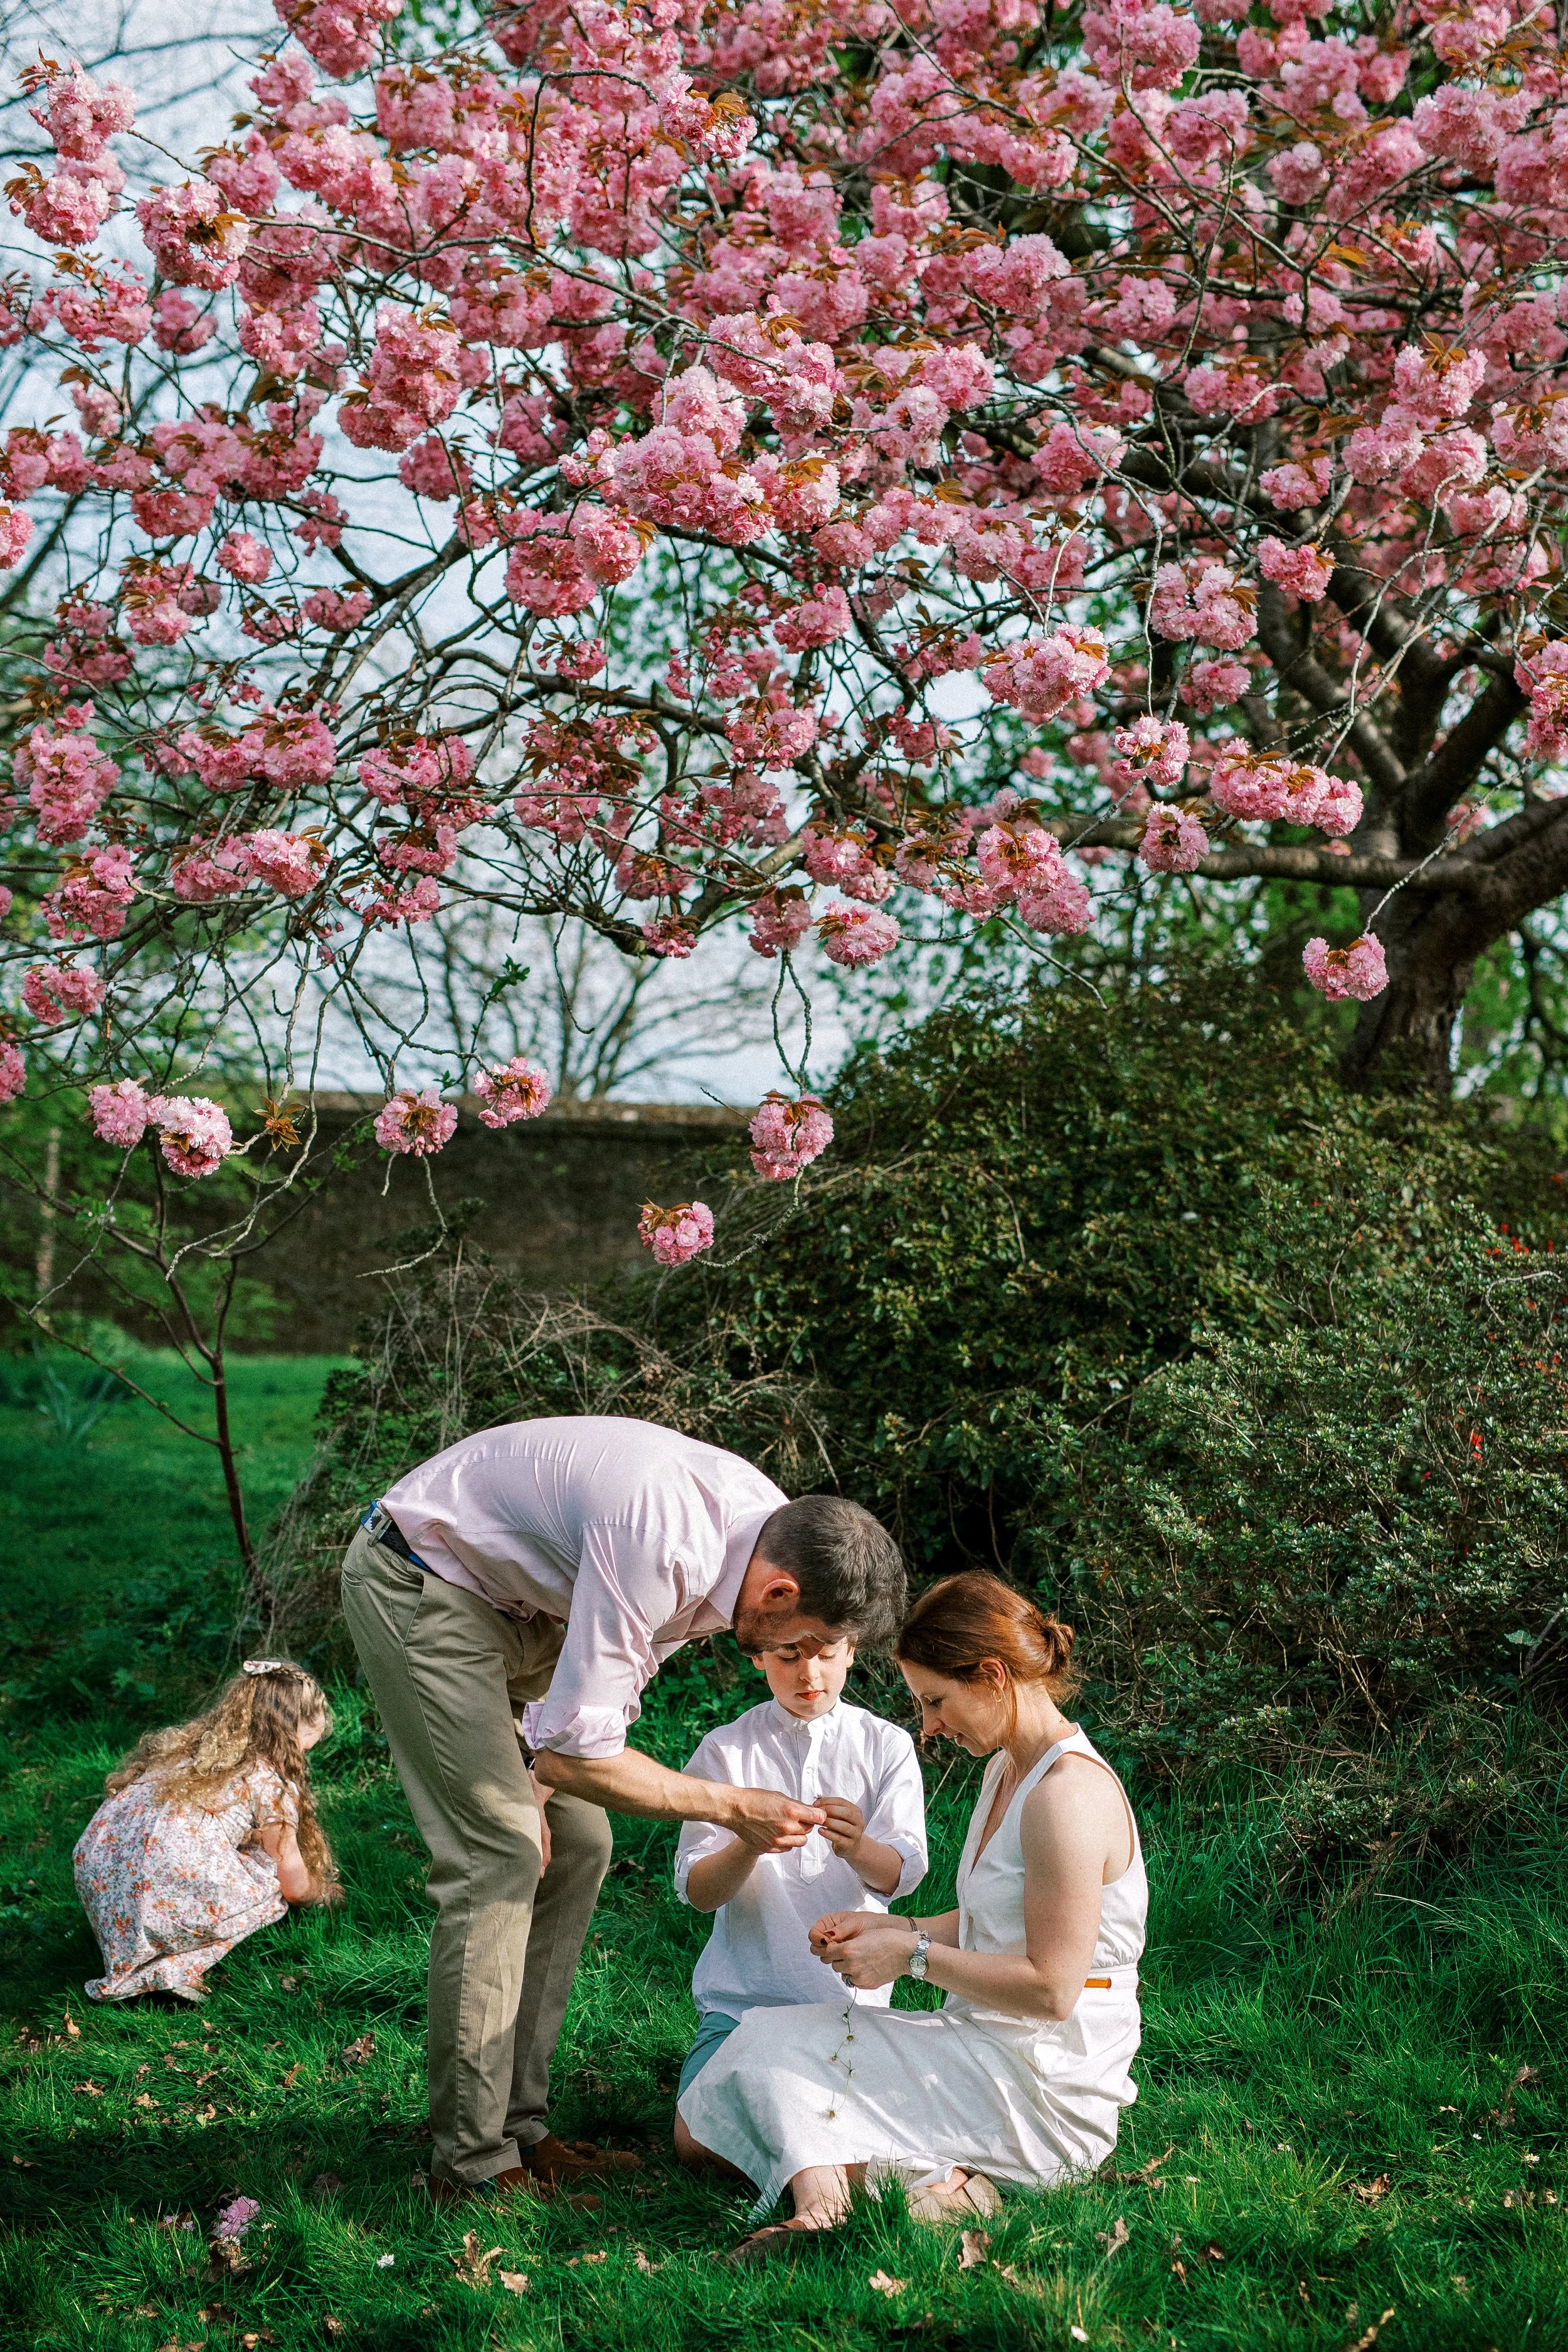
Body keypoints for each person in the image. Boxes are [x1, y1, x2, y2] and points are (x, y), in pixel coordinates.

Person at [339, 1413, 906, 2205]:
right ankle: (470, 2167)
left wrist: (538, 1769)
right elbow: (580, 1751)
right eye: (799, 1639)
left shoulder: (772, 1534)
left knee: (579, 1840)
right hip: (425, 1582)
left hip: (526, 1606)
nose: (802, 1661)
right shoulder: (665, 1536)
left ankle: (522, 2132)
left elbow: (594, 1702)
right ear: (780, 1589)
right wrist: (731, 1804)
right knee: (499, 1852)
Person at [677, 1571, 1147, 2258]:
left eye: (935, 1700)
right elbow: (994, 1921)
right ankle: (929, 2188)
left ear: (991, 1674)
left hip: (1041, 2085)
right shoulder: (1009, 1771)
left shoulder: (1066, 1796)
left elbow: (1052, 1988)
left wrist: (911, 1957)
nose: (928, 1725)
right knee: (750, 2056)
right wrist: (894, 1928)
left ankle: (842, 2201)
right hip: (982, 2043)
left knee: (753, 2075)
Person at [672, 1631, 927, 2105]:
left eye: (827, 1654)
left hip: (852, 2005)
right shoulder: (726, 1750)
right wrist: (747, 1843)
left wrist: (858, 1846)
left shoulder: (885, 1745)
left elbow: (900, 1875)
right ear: (757, 1655)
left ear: (851, 1651)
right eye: (788, 1654)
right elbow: (699, 1890)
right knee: (699, 2128)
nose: (809, 1673)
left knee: (832, 2114)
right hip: (743, 2005)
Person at [73, 1659, 337, 2003]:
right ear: (292, 1732)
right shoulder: (267, 1781)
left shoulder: (188, 1756)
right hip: (160, 1883)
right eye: (309, 1741)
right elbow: (293, 1881)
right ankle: (178, 1968)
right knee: (271, 1877)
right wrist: (321, 1894)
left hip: (101, 1875)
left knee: (206, 1849)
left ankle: (144, 1952)